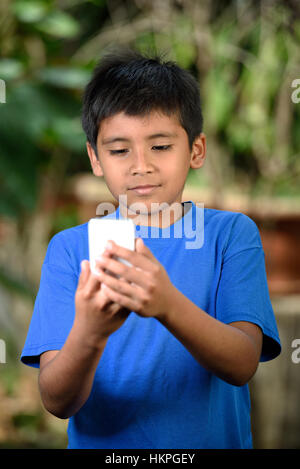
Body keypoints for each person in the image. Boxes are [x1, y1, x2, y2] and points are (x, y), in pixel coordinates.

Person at [20, 48, 281, 449]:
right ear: (95, 158)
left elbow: (243, 363)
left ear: (195, 150)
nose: (140, 165)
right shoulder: (72, 249)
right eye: (119, 150)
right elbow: (57, 400)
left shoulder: (230, 234)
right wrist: (90, 333)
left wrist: (167, 304)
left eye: (160, 147)